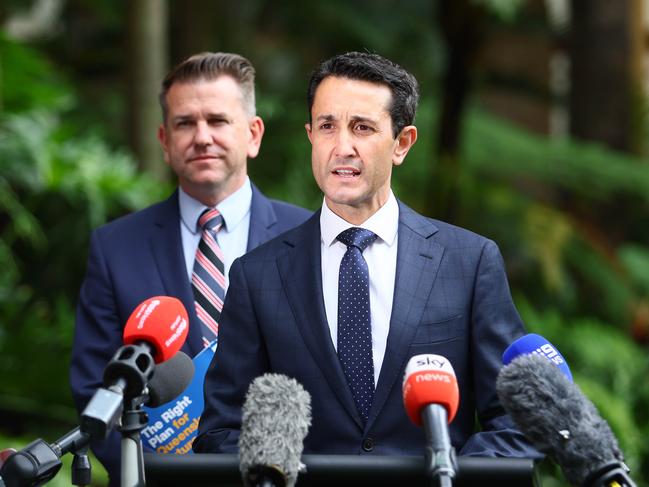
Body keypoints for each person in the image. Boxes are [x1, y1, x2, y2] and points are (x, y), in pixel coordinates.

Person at [194, 51, 539, 458]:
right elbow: (222, 430)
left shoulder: (468, 261)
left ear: (402, 143)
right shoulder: (258, 276)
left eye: (362, 128)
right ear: (310, 135)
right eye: (327, 126)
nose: (342, 146)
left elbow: (518, 418)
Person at [69, 52, 311, 484]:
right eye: (185, 123)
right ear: (164, 140)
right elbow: (95, 388)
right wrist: (152, 473)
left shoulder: (310, 237)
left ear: (253, 135)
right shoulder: (115, 248)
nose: (202, 137)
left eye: (218, 121)